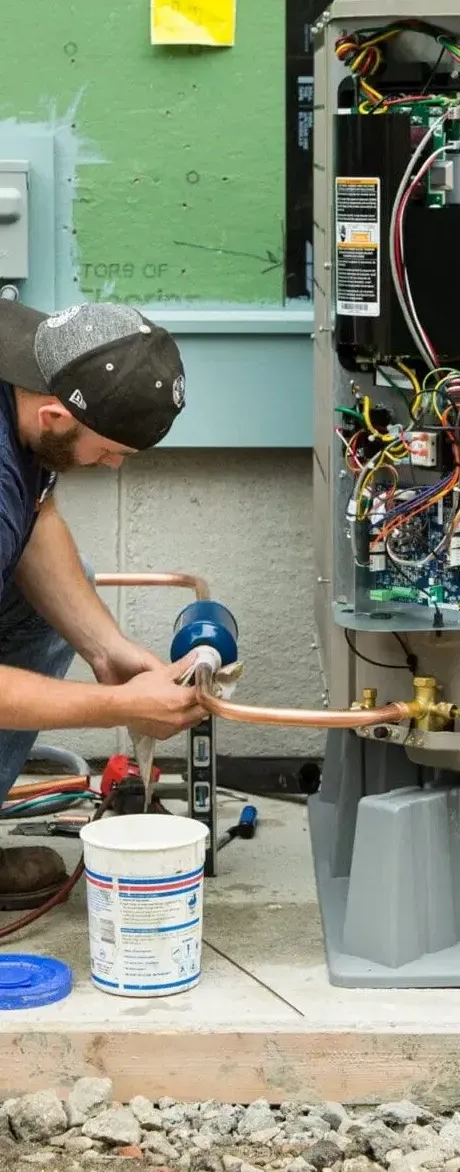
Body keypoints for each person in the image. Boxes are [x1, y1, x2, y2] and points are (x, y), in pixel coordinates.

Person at [0, 298, 205, 909]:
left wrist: (107, 648)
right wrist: (114, 705)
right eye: (110, 450)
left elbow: (35, 519)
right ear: (56, 414)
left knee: (65, 585)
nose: (113, 466)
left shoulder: (38, 363)